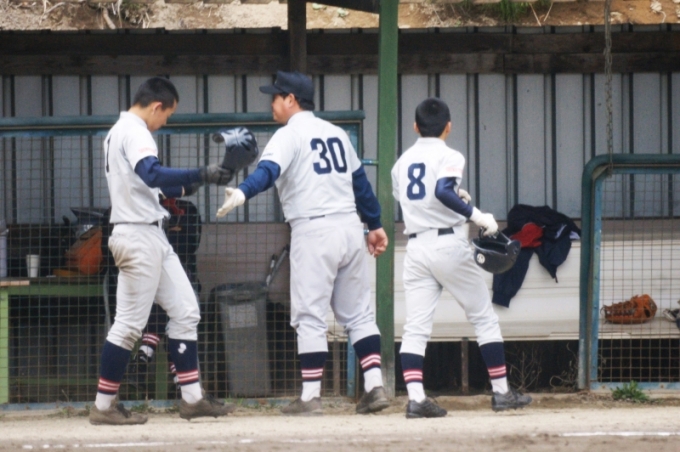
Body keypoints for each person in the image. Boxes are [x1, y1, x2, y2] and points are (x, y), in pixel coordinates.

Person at [216, 70, 390, 416]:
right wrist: (375, 225)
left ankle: (310, 396)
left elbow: (267, 172)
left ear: (291, 100)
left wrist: (243, 192)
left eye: (276, 96)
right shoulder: (337, 133)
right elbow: (360, 185)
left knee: (309, 315)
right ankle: (375, 387)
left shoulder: (289, 134)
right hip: (349, 228)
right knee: (359, 314)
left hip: (314, 231)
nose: (272, 103)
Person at [90, 76, 234, 425]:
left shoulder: (119, 131)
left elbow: (155, 185)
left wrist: (199, 180)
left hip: (150, 234)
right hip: (138, 236)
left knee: (186, 311)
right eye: (166, 114)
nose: (165, 121)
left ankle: (193, 399)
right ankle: (104, 407)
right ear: (156, 106)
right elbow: (152, 174)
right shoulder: (135, 130)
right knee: (128, 326)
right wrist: (202, 171)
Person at [391, 97, 532, 419]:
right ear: (448, 126)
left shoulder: (401, 162)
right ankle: (502, 393)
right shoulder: (450, 155)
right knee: (483, 318)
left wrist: (457, 197)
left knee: (415, 328)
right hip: (448, 245)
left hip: (416, 247)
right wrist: (476, 214)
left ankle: (416, 399)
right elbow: (441, 191)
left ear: (415, 126)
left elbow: (414, 198)